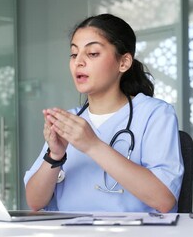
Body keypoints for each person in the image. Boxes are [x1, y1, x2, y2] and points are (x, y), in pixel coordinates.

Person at [24, 13, 183, 213]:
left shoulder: (155, 114)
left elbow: (164, 200)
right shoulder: (69, 122)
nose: (78, 62)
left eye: (92, 53)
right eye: (74, 54)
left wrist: (92, 145)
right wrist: (55, 155)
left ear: (123, 62)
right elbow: (35, 202)